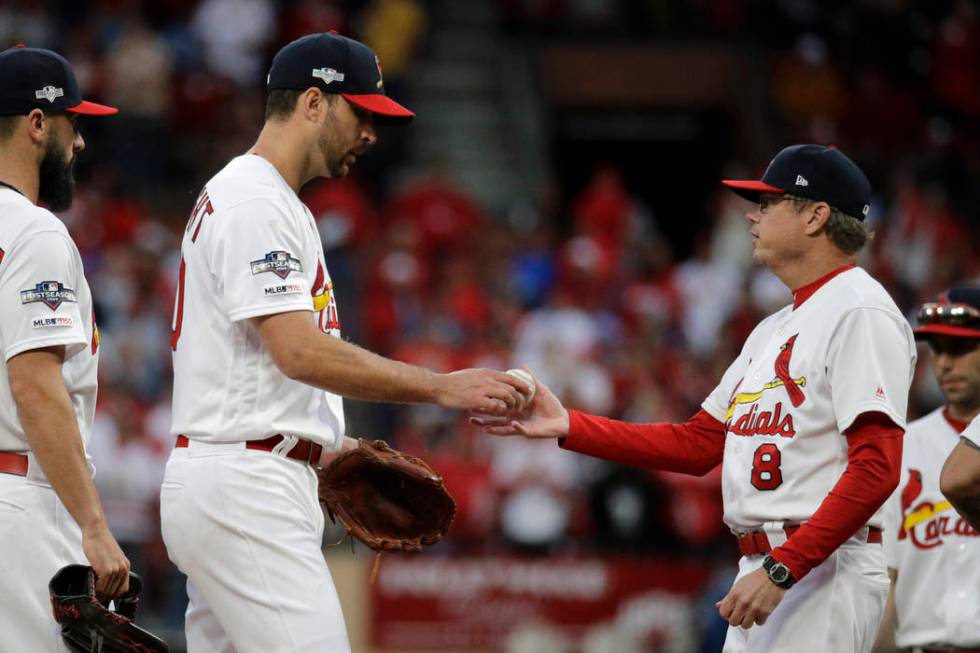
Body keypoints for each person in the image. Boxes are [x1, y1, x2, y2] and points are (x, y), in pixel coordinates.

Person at [160, 32, 527, 653]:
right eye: (361, 112)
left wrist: (329, 442)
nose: (371, 133)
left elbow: (262, 366)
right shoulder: (255, 200)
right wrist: (440, 386)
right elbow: (298, 352)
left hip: (241, 471)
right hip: (245, 487)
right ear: (312, 102)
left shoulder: (268, 199)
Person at [474, 145, 917, 653]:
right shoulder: (774, 327)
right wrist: (568, 425)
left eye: (770, 202)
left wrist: (782, 568)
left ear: (816, 215)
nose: (753, 214)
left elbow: (877, 467)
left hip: (818, 567)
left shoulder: (860, 310)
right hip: (769, 567)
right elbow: (698, 443)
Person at [0, 46, 130, 649]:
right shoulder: (34, 231)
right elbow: (34, 385)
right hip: (20, 502)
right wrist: (95, 526)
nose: (79, 143)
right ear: (37, 123)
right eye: (73, 123)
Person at [873, 286, 980, 653]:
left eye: (960, 348)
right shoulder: (903, 448)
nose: (944, 363)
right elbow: (886, 577)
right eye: (936, 349)